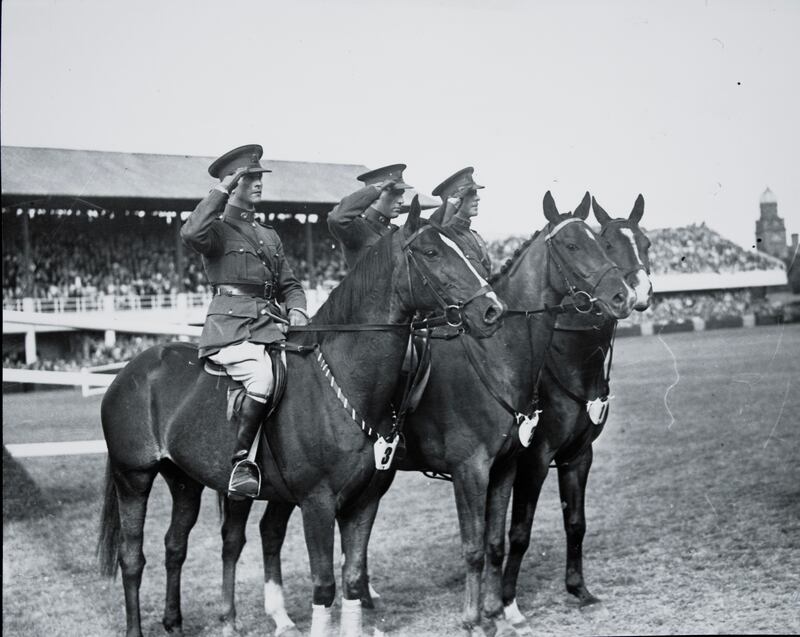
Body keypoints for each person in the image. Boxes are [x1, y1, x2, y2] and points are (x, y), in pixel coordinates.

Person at [180, 144, 309, 499]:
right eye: (248, 177)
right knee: (261, 375)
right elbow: (190, 234)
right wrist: (220, 192)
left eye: (258, 177)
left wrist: (297, 308)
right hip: (230, 330)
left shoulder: (269, 235)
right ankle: (242, 463)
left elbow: (290, 285)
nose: (257, 183)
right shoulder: (216, 230)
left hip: (269, 325)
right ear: (231, 183)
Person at [327, 164, 413, 269]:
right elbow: (336, 218)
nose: (401, 201)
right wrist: (374, 190)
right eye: (394, 194)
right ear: (375, 196)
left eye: (401, 194)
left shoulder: (396, 231)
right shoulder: (357, 228)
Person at [430, 167, 492, 277]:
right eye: (471, 193)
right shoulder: (446, 236)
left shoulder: (476, 236)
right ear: (456, 200)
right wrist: (449, 207)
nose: (478, 198)